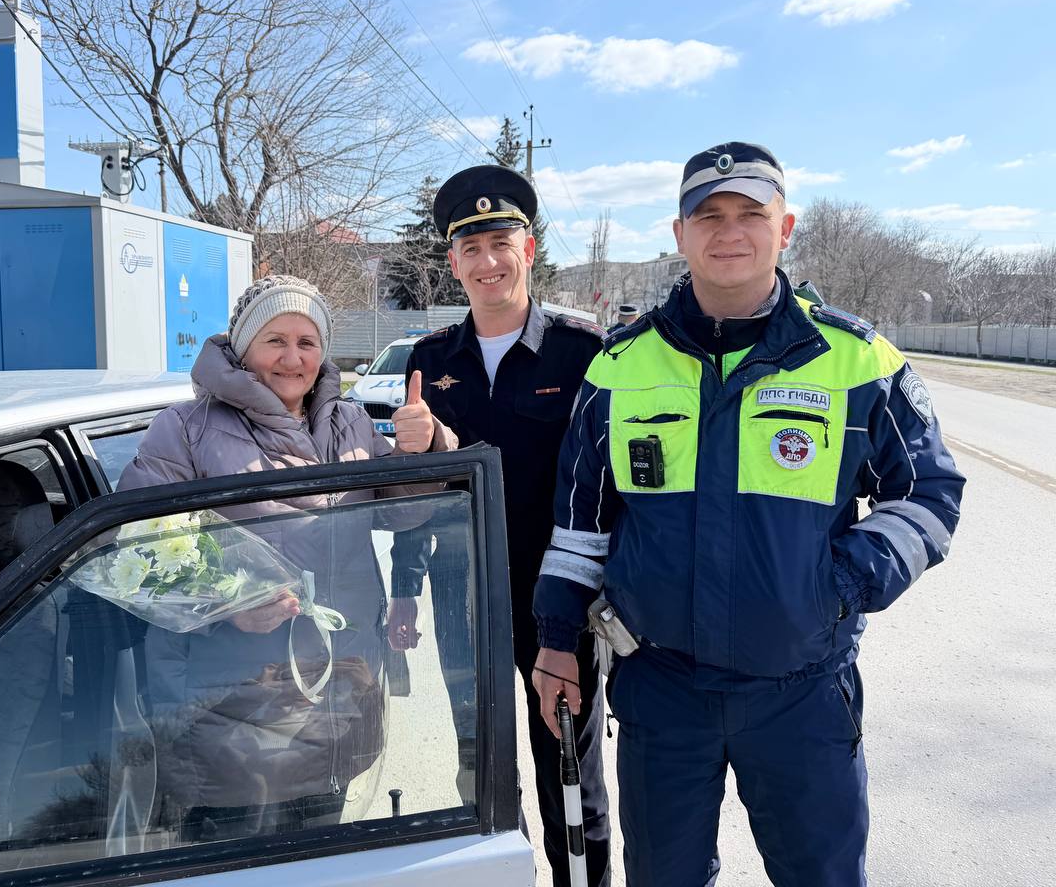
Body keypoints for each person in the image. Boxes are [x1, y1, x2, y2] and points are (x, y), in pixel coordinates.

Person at [531, 142, 966, 886]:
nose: (728, 232)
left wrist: (843, 582)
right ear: (679, 235)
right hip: (661, 689)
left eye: (749, 214)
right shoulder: (619, 365)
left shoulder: (856, 359)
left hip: (800, 693)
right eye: (709, 216)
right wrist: (555, 641)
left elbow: (928, 492)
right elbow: (581, 522)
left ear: (785, 226)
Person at [118, 275, 456, 839]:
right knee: (232, 859)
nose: (292, 358)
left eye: (307, 342)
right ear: (242, 347)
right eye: (275, 340)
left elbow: (401, 514)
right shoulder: (186, 430)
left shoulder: (348, 422)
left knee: (322, 852)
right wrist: (228, 605)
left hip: (337, 686)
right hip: (228, 701)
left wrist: (425, 450)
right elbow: (140, 548)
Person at [387, 164, 611, 887]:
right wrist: (401, 589)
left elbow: (606, 488)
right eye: (470, 249)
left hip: (558, 605)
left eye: (499, 243)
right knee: (479, 775)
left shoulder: (582, 351)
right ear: (452, 263)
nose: (487, 263)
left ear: (529, 249)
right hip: (462, 598)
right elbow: (423, 496)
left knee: (570, 779)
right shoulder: (429, 362)